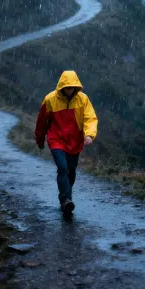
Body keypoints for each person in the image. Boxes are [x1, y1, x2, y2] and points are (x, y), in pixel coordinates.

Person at [35, 70, 98, 214]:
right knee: (62, 168)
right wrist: (40, 139)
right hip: (56, 139)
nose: (70, 90)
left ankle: (65, 198)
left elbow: (90, 118)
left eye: (72, 87)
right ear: (62, 86)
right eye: (67, 87)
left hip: (74, 141)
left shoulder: (83, 99)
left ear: (76, 87)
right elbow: (42, 122)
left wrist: (89, 134)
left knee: (71, 171)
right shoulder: (50, 99)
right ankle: (66, 200)